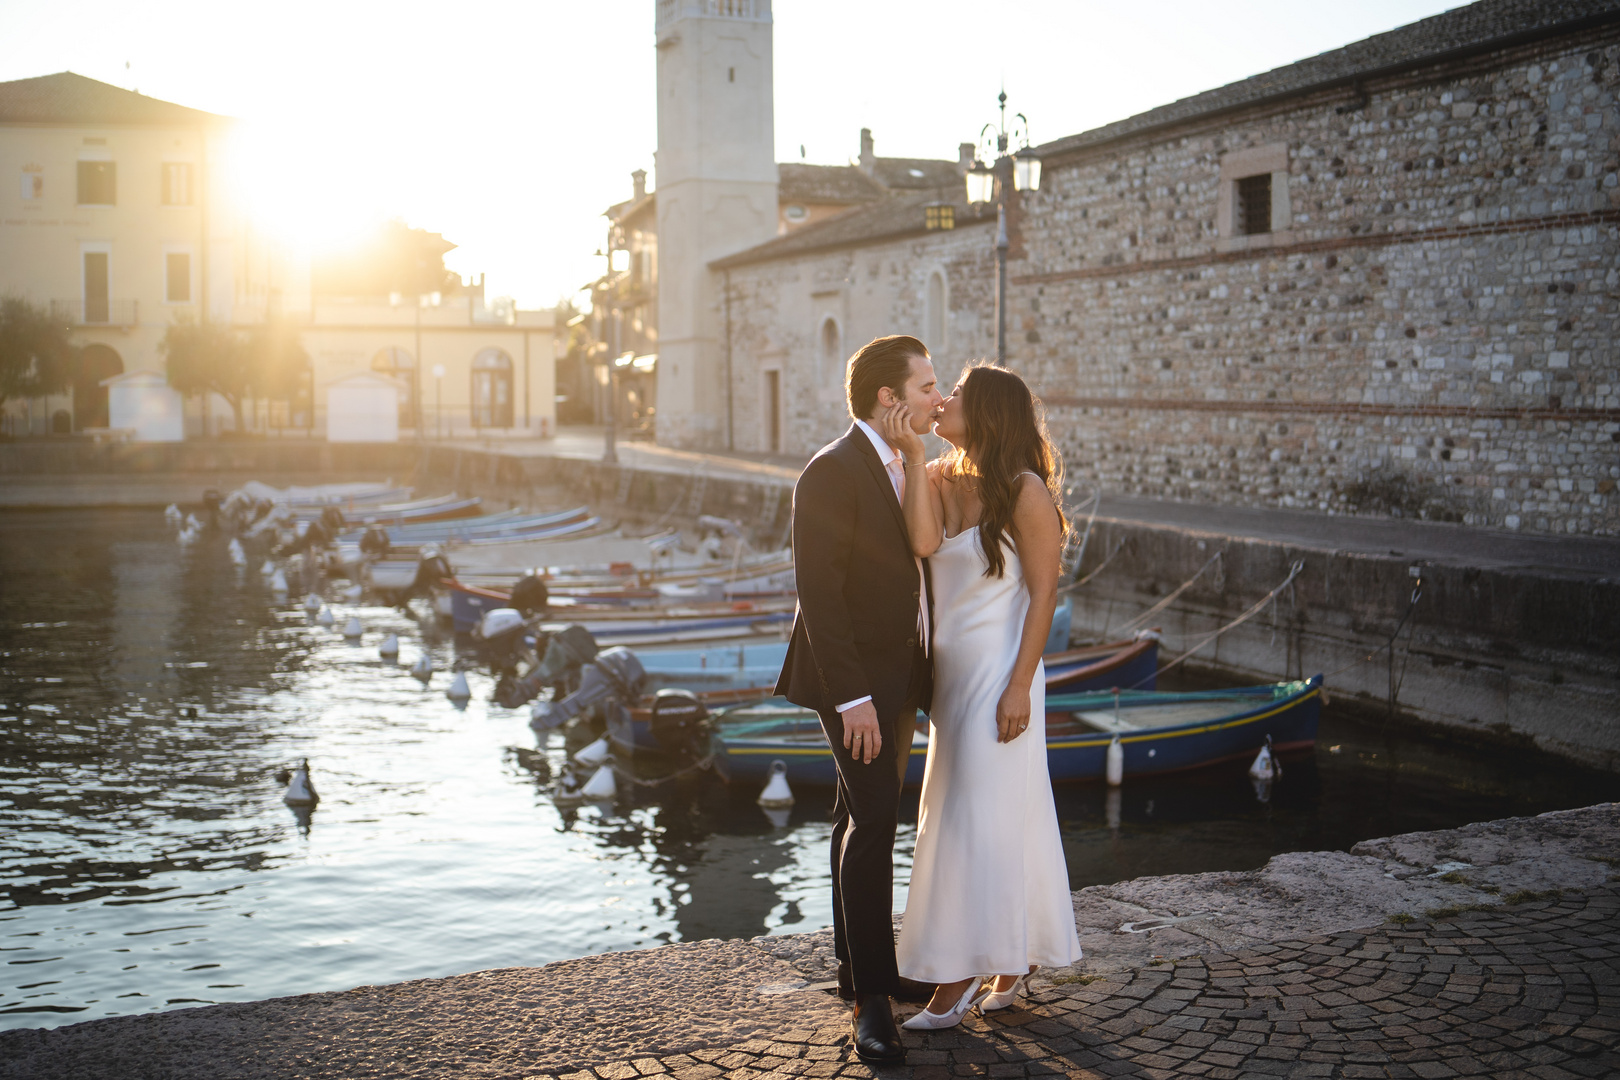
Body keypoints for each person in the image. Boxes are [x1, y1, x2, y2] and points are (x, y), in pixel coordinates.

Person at [883, 361, 1084, 1030]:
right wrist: (914, 454)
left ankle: (960, 974)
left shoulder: (1026, 491)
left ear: (990, 411)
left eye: (958, 394)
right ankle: (1012, 956)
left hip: (1003, 676)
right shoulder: (939, 478)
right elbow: (921, 542)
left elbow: (1045, 596)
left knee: (970, 820)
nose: (943, 400)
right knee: (996, 817)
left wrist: (1021, 684)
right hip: (952, 680)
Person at [774, 334, 944, 1066]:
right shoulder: (830, 472)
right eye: (928, 384)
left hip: (897, 675)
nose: (938, 397)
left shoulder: (909, 463)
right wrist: (852, 700)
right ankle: (871, 1001)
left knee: (856, 812)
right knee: (876, 817)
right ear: (889, 398)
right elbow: (820, 596)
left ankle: (860, 967)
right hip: (854, 685)